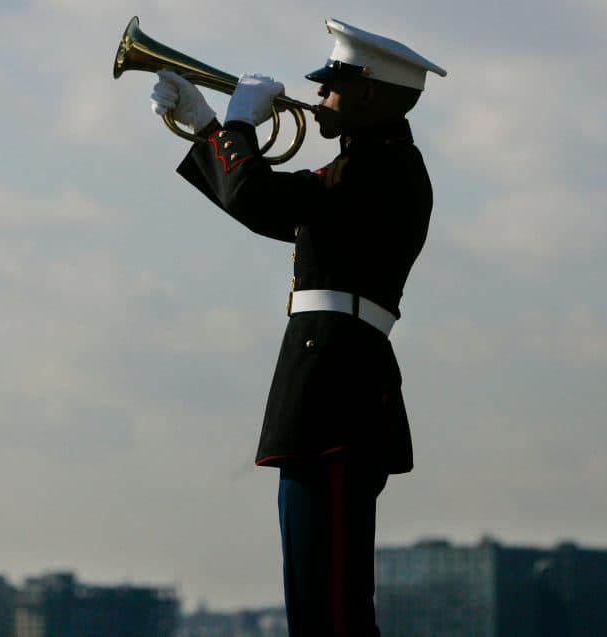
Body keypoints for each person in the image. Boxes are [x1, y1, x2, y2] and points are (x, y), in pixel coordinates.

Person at [149, 18, 446, 637]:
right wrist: (208, 128)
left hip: (337, 391)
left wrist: (235, 126)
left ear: (367, 94)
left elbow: (259, 200)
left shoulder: (380, 169)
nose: (318, 99)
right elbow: (269, 205)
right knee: (315, 605)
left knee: (331, 607)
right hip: (325, 389)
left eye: (333, 87)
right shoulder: (359, 171)